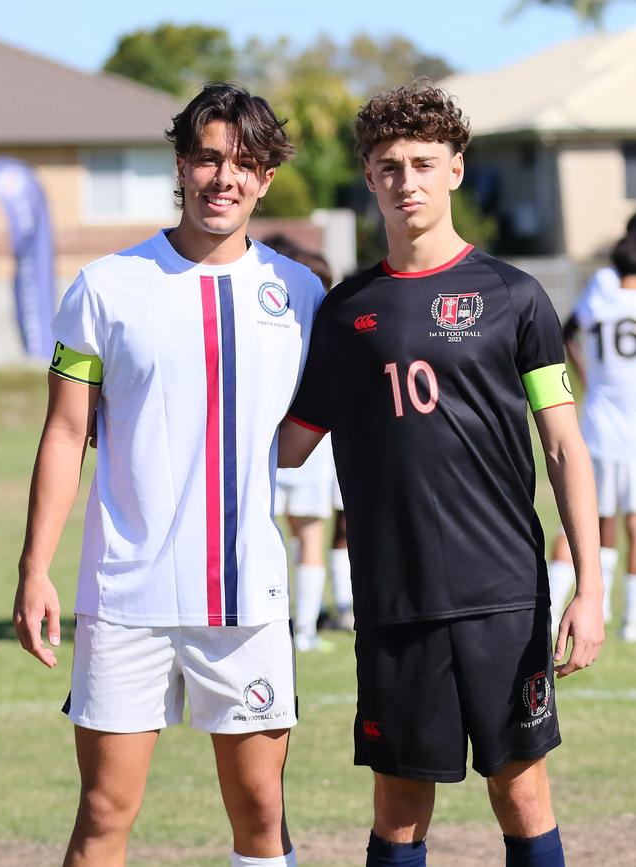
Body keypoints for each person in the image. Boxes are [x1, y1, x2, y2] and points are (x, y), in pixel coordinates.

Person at [278, 83, 604, 867]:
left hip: (503, 590)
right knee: (398, 807)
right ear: (368, 177)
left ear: (456, 170)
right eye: (389, 166)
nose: (407, 181)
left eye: (424, 163)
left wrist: (591, 588)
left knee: (522, 793)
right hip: (396, 596)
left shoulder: (516, 297)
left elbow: (564, 445)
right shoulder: (344, 311)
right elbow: (289, 444)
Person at [13, 82, 325, 867]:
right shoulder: (104, 288)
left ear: (266, 180)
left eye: (244, 164)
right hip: (127, 596)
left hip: (246, 595)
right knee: (104, 812)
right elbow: (63, 431)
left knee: (261, 814)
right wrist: (34, 568)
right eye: (209, 158)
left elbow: (303, 437)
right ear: (182, 165)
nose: (225, 178)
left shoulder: (302, 295)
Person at [264, 237, 353, 650]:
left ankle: (283, 623)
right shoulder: (332, 328)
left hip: (280, 441)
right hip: (306, 442)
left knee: (273, 534)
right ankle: (304, 630)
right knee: (309, 536)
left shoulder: (269, 320)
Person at [548, 230, 636, 641]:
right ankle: (631, 621)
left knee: (594, 523)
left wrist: (583, 374)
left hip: (599, 423)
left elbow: (566, 331)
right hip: (630, 427)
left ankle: (579, 608)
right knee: (632, 526)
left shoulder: (598, 296)